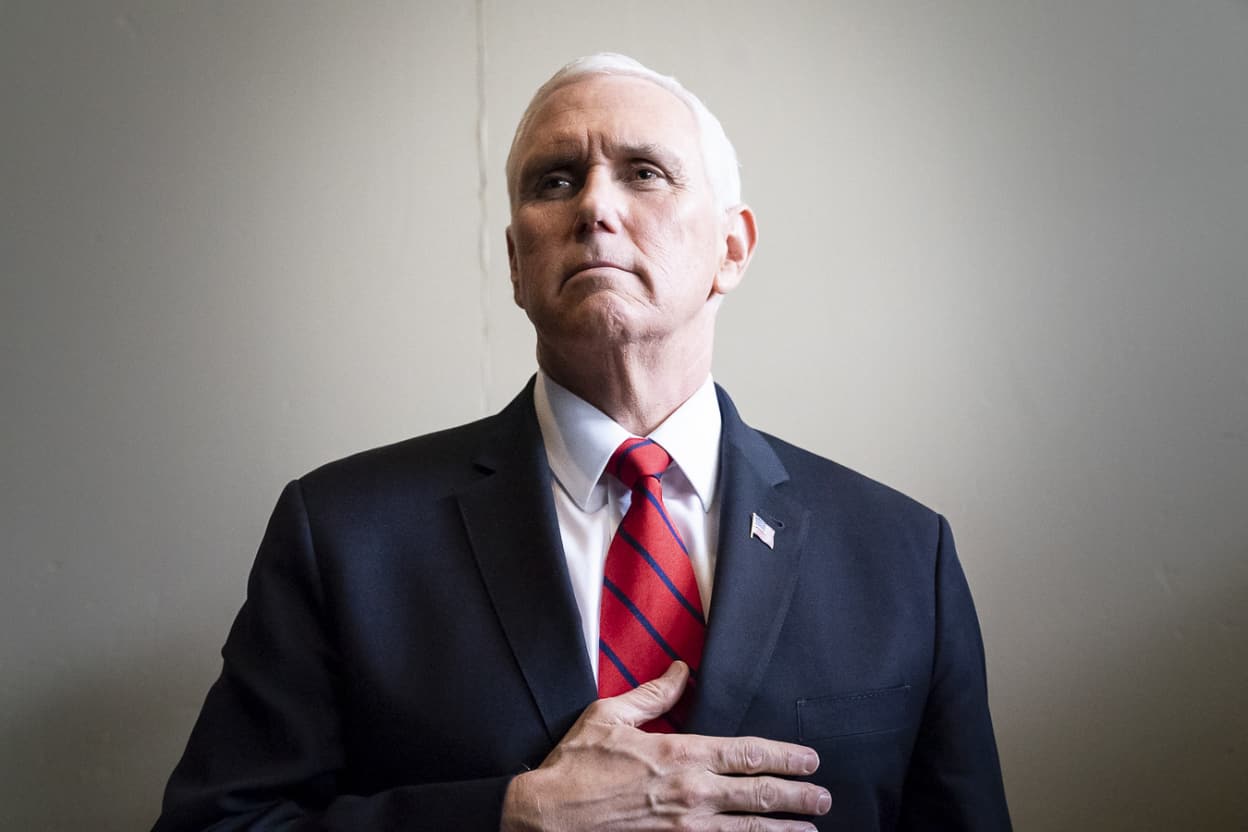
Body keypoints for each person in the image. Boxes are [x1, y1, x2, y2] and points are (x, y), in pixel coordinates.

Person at [154, 53, 1012, 831]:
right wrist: (511, 816)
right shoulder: (345, 535)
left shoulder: (905, 556)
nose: (596, 206)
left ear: (732, 247)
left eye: (645, 173)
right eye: (556, 181)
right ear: (515, 263)